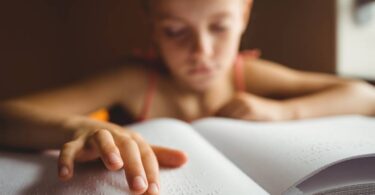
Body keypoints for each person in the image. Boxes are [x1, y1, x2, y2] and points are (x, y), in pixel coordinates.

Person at [1, 0, 375, 194]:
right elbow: (8, 116)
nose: (202, 50)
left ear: (243, 15)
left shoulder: (246, 75)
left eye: (219, 27)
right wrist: (78, 126)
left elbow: (362, 95)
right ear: (153, 27)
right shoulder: (135, 80)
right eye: (176, 31)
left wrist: (284, 111)